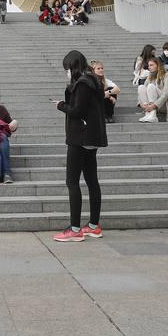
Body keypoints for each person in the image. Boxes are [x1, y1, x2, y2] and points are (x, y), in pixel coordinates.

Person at [52, 49, 107, 242]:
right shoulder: (94, 80)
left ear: (73, 67)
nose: (67, 72)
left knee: (72, 181)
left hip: (80, 137)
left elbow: (77, 110)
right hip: (92, 137)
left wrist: (60, 105)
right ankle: (93, 225)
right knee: (91, 180)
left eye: (67, 68)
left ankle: (74, 228)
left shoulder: (82, 83)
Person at [92, 60, 119, 124]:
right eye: (98, 68)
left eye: (102, 68)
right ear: (93, 70)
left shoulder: (105, 81)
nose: (101, 70)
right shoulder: (91, 80)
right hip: (94, 104)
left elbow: (117, 89)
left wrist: (107, 93)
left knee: (111, 89)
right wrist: (108, 96)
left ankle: (109, 116)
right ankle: (103, 116)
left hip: (103, 101)